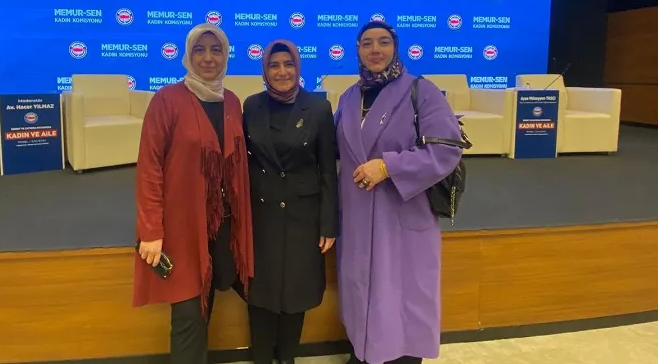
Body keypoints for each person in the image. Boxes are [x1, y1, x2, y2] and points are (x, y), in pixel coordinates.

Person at [334, 21, 464, 364]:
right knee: (362, 289)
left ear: (396, 47)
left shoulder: (422, 91)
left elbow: (447, 149)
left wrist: (388, 166)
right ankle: (364, 352)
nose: (375, 50)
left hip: (402, 216)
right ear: (357, 50)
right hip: (357, 217)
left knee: (401, 293)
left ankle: (401, 357)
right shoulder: (349, 98)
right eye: (367, 43)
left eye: (383, 42)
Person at [133, 24, 255, 364]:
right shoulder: (167, 100)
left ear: (226, 55)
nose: (208, 58)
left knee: (243, 291)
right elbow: (149, 168)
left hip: (225, 227)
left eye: (216, 50)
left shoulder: (232, 102)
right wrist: (151, 231)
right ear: (188, 55)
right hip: (184, 227)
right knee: (189, 312)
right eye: (199, 50)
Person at [241, 40, 339, 364]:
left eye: (289, 64)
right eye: (274, 65)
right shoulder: (251, 106)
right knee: (261, 291)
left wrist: (328, 224)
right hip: (261, 213)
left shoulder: (319, 109)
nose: (282, 71)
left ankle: (286, 357)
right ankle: (261, 357)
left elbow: (328, 170)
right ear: (265, 70)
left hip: (303, 216)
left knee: (296, 292)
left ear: (298, 68)